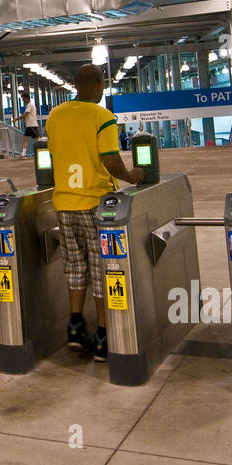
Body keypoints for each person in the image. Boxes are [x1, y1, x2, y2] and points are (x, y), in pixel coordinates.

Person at [45, 65, 147, 362]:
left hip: (64, 203)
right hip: (93, 201)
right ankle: (103, 335)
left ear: (75, 84)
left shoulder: (55, 116)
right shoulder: (102, 117)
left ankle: (76, 325)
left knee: (75, 268)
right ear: (101, 85)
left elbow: (53, 157)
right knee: (103, 270)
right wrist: (131, 176)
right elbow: (111, 160)